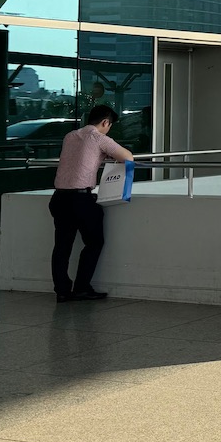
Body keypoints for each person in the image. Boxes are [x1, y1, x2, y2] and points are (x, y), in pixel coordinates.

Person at [49, 104, 133, 303]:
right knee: (94, 242)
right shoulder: (98, 138)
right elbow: (128, 157)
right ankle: (82, 287)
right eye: (109, 125)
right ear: (105, 122)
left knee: (62, 246)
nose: (108, 128)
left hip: (59, 198)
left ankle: (62, 290)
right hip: (81, 199)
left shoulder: (70, 136)